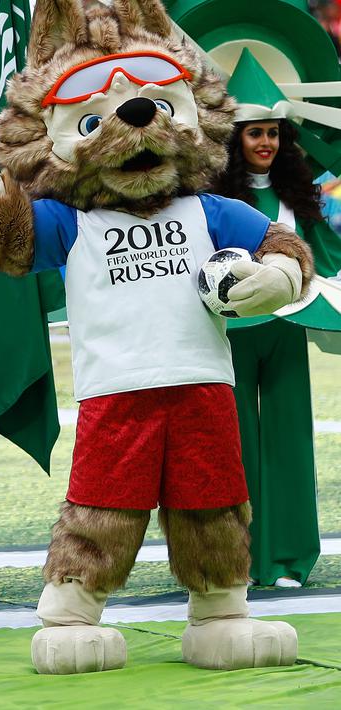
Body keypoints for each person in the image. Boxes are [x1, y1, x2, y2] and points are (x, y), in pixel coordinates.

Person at [214, 53, 341, 589]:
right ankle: (239, 560)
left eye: (273, 133)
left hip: (286, 330)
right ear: (236, 139)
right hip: (230, 334)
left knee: (290, 440)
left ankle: (288, 558)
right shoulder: (214, 200)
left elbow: (328, 258)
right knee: (234, 445)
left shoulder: (299, 196)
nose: (265, 142)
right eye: (255, 133)